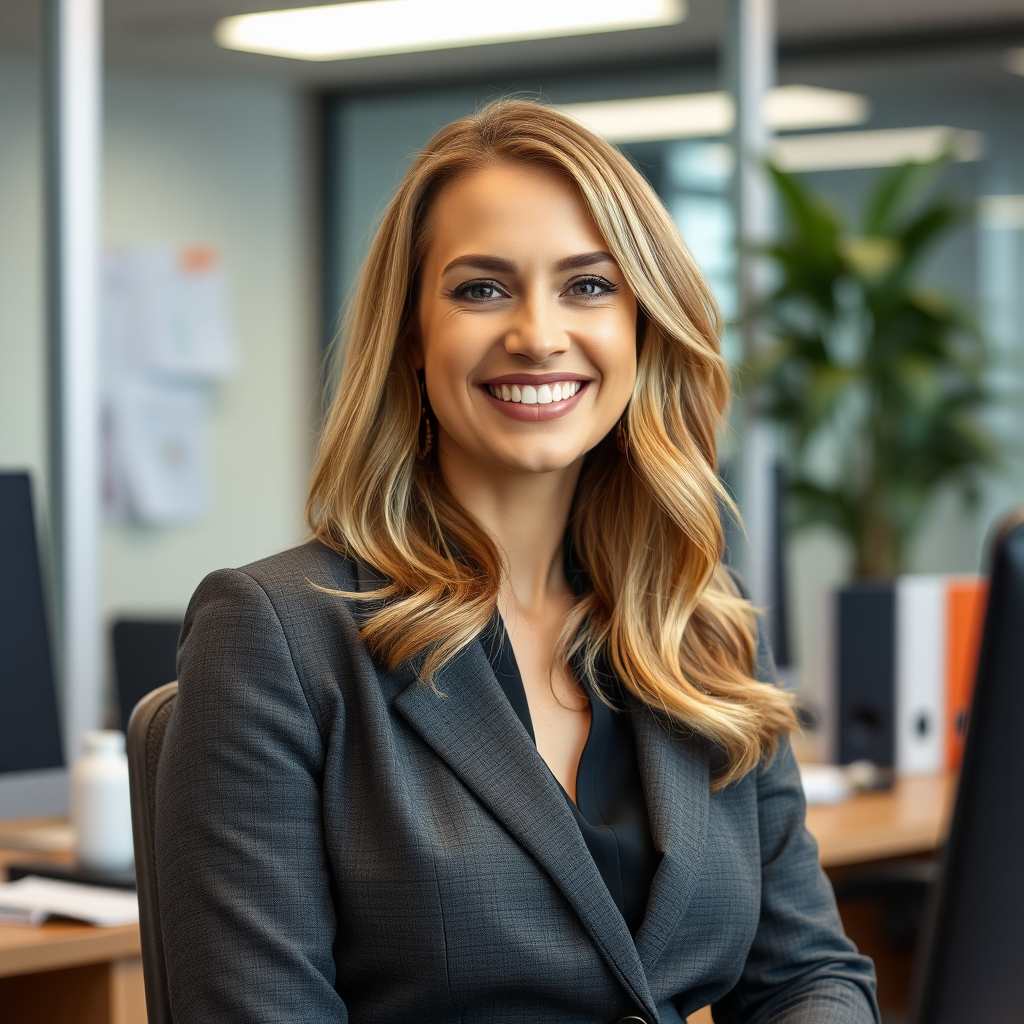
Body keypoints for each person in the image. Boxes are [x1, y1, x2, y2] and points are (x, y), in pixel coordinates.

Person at [155, 99, 879, 1024]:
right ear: (413, 338)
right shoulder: (275, 635)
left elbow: (806, 975)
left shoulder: (702, 624)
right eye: (482, 289)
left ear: (643, 327)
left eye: (588, 286)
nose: (539, 334)